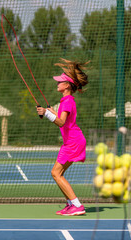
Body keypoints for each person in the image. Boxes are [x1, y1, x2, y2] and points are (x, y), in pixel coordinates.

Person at [37, 58, 89, 216]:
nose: (57, 83)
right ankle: (70, 204)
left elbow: (61, 123)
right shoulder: (67, 100)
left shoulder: (67, 102)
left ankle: (77, 205)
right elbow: (63, 120)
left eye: (60, 82)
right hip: (73, 141)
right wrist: (51, 112)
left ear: (67, 85)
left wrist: (46, 114)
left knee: (55, 173)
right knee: (58, 174)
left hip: (73, 142)